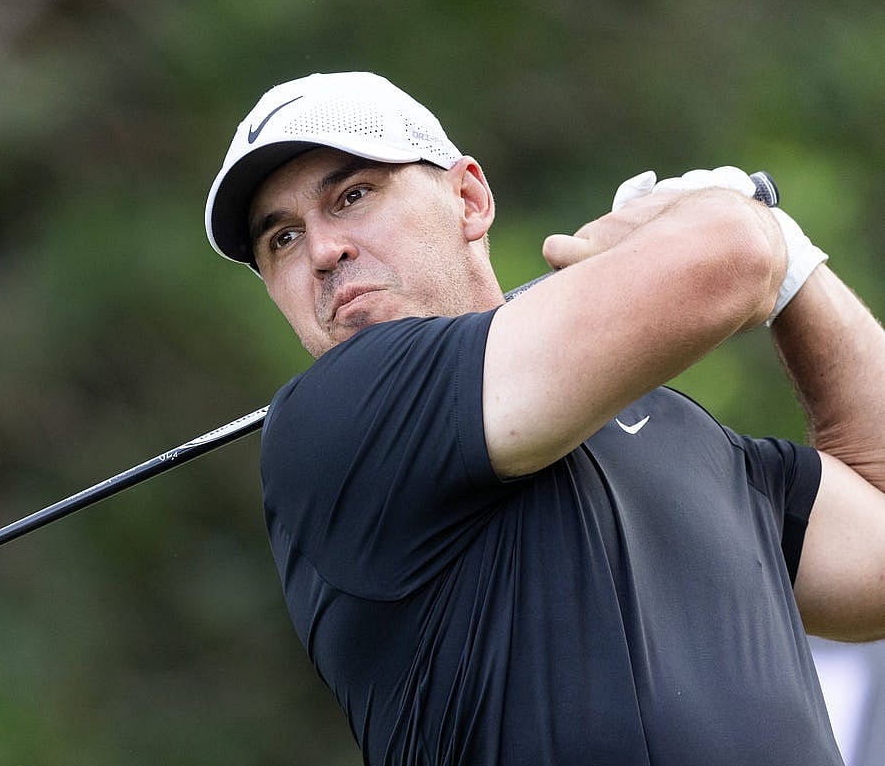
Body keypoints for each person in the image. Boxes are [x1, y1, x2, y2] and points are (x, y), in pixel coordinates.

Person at [204, 71, 885, 765]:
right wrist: (732, 220)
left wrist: (798, 267)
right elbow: (731, 257)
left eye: (352, 196)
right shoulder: (334, 422)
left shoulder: (677, 429)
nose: (322, 252)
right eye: (282, 240)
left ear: (468, 198)